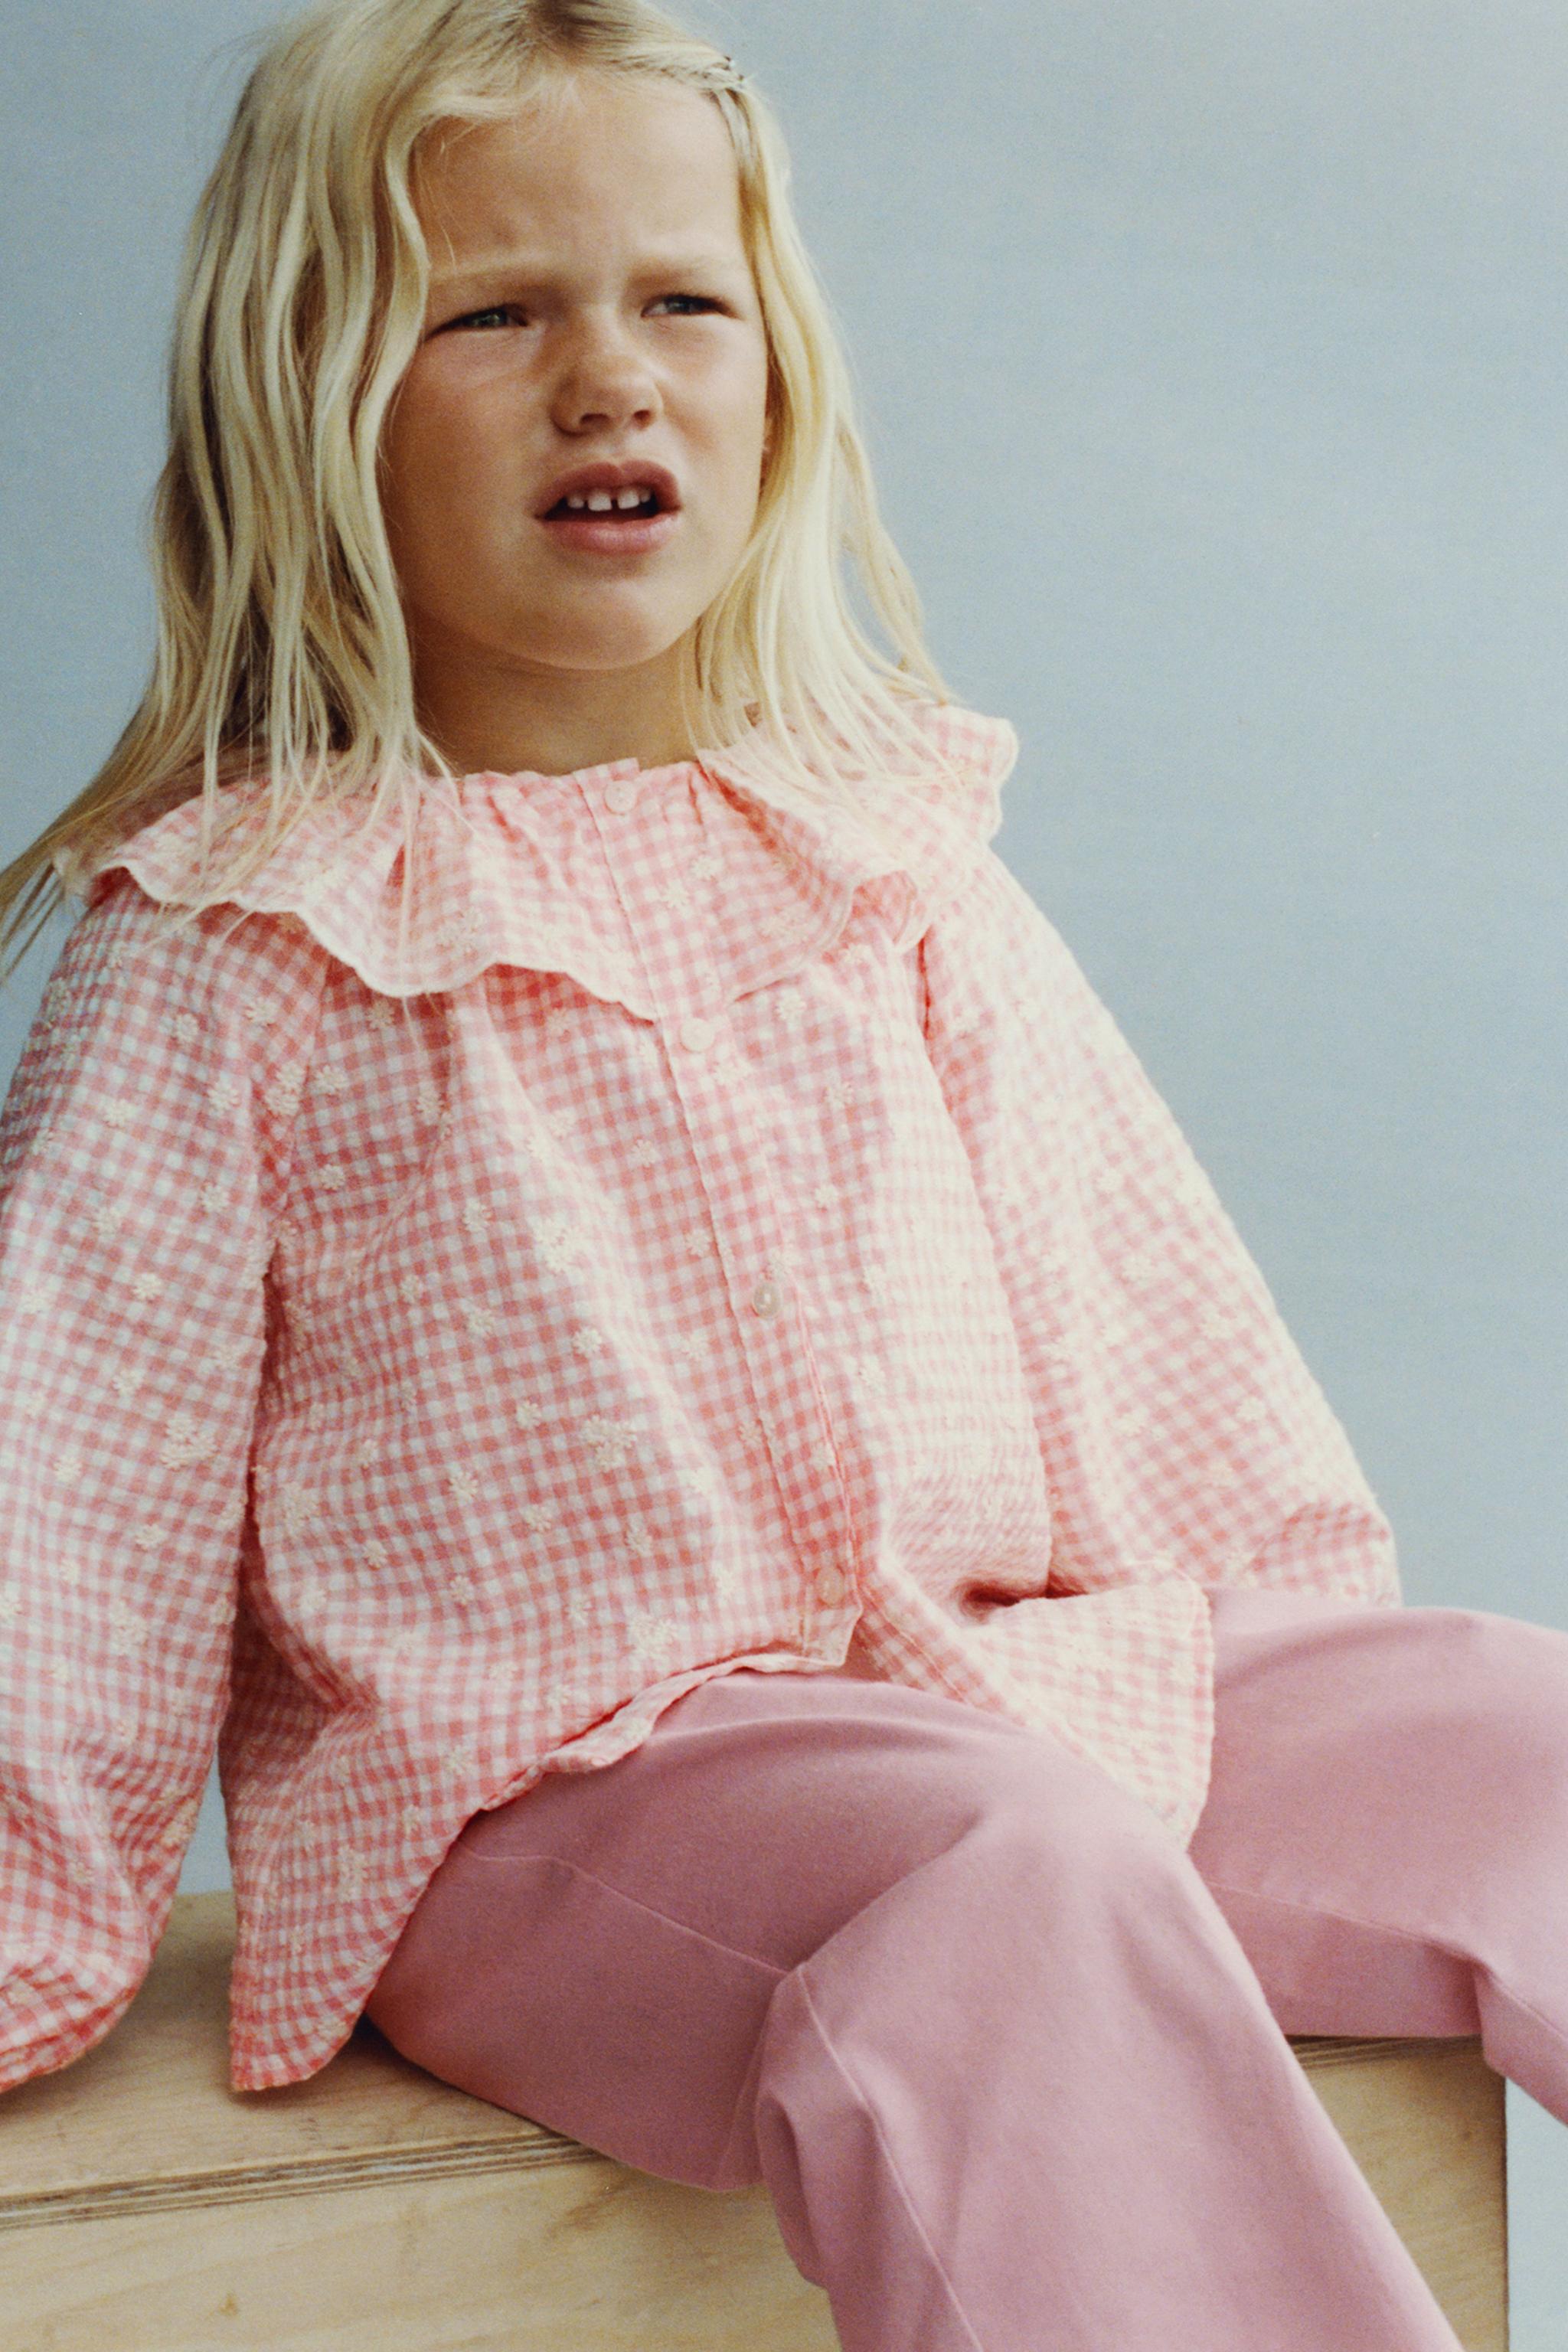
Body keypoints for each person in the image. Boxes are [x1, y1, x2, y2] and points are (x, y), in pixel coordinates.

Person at [0, 3, 1562, 2346]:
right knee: (1003, 1874)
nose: (607, 378)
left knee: (1514, 1730)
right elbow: (65, 1496)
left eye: (680, 305)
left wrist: (1283, 1668)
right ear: (308, 390)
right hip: (569, 1813)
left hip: (986, 1691)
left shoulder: (879, 851)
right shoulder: (244, 937)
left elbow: (1133, 1311)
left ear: (776, 386)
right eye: (492, 311)